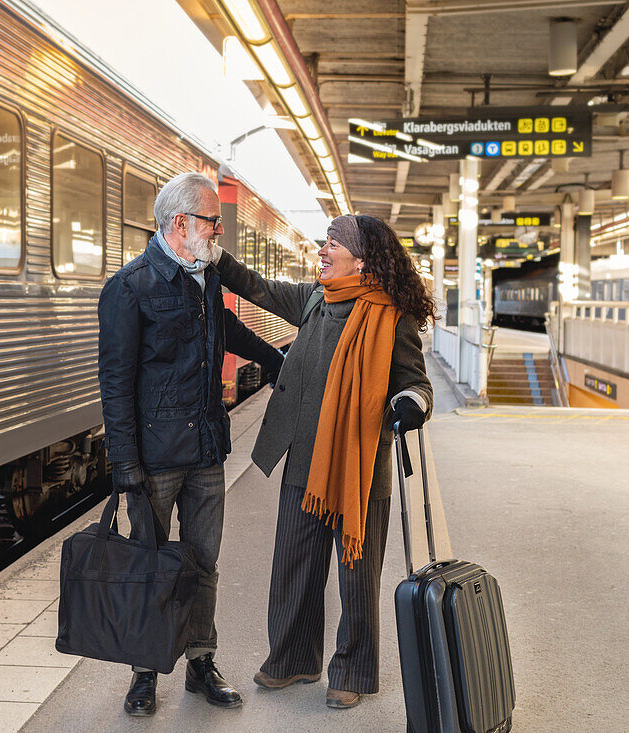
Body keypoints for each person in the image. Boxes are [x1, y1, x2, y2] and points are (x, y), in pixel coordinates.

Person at [212, 214, 434, 710]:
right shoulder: (314, 300)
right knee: (293, 563)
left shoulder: (391, 317)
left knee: (357, 576)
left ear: (362, 259)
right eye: (324, 241)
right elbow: (259, 288)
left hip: (357, 471)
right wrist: (216, 256)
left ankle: (351, 670)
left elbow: (416, 381)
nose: (323, 250)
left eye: (334, 244)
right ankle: (293, 658)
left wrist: (411, 403)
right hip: (304, 462)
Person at [97, 171, 285, 716]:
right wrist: (123, 464)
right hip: (154, 458)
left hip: (204, 451)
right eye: (211, 221)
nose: (217, 232)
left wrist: (279, 361)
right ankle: (145, 671)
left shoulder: (203, 278)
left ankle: (201, 662)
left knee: (203, 563)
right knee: (152, 565)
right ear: (180, 223)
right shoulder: (129, 287)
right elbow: (116, 384)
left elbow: (227, 330)